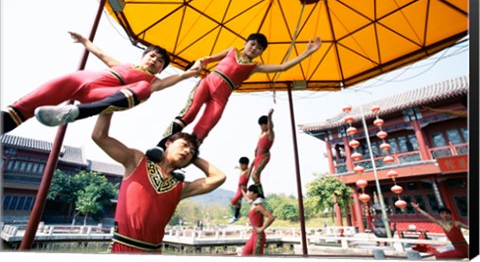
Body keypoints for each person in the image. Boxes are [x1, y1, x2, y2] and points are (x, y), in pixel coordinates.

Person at [146, 33, 322, 159]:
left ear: (261, 53)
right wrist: (198, 64)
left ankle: (181, 162)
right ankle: (160, 146)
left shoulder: (255, 66)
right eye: (252, 44)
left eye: (259, 48)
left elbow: (283, 67)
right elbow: (208, 59)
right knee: (188, 114)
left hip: (222, 97)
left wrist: (307, 53)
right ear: (246, 43)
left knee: (204, 128)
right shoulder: (231, 51)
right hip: (208, 83)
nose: (254, 49)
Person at [1, 31, 202, 134]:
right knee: (20, 108)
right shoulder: (121, 64)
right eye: (152, 56)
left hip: (98, 96)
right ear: (144, 56)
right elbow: (100, 53)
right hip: (77, 81)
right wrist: (84, 40)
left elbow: (179, 77)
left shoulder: (154, 81)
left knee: (143, 89)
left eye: (160, 61)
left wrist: (193, 71)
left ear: (161, 69)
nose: (154, 61)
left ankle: (75, 113)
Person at [91, 112, 226, 253]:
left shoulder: (181, 187)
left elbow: (219, 177)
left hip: (154, 253)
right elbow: (99, 136)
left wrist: (194, 157)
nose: (187, 151)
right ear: (168, 143)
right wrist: (110, 107)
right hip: (121, 250)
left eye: (191, 152)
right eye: (184, 145)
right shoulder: (137, 161)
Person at [241, 185, 275, 256]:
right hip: (253, 234)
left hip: (259, 236)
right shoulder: (252, 204)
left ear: (255, 194)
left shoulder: (259, 207)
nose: (248, 193)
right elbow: (247, 198)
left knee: (256, 257)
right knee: (245, 254)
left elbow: (271, 217)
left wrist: (262, 228)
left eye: (250, 191)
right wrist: (242, 190)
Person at [248, 108, 275, 198]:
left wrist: (270, 116)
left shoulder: (270, 133)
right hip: (258, 155)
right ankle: (256, 194)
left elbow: (271, 126)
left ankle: (261, 194)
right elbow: (259, 142)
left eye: (262, 125)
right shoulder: (262, 132)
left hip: (264, 156)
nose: (261, 127)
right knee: (254, 176)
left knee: (255, 175)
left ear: (266, 124)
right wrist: (255, 149)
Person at [228, 156, 250, 224]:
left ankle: (237, 215)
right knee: (238, 203)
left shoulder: (247, 171)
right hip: (238, 188)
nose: (240, 166)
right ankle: (236, 216)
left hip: (242, 189)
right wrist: (237, 167)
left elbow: (251, 167)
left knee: (233, 201)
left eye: (241, 165)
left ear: (245, 165)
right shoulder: (242, 169)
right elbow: (240, 168)